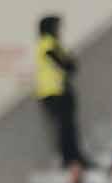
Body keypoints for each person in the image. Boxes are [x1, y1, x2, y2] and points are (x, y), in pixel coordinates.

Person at [36, 15, 86, 168]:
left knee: (69, 127)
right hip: (54, 93)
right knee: (65, 128)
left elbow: (70, 65)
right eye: (56, 27)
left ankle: (74, 157)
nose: (59, 30)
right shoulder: (47, 44)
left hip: (59, 92)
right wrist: (68, 62)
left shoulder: (54, 44)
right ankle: (69, 158)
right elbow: (65, 64)